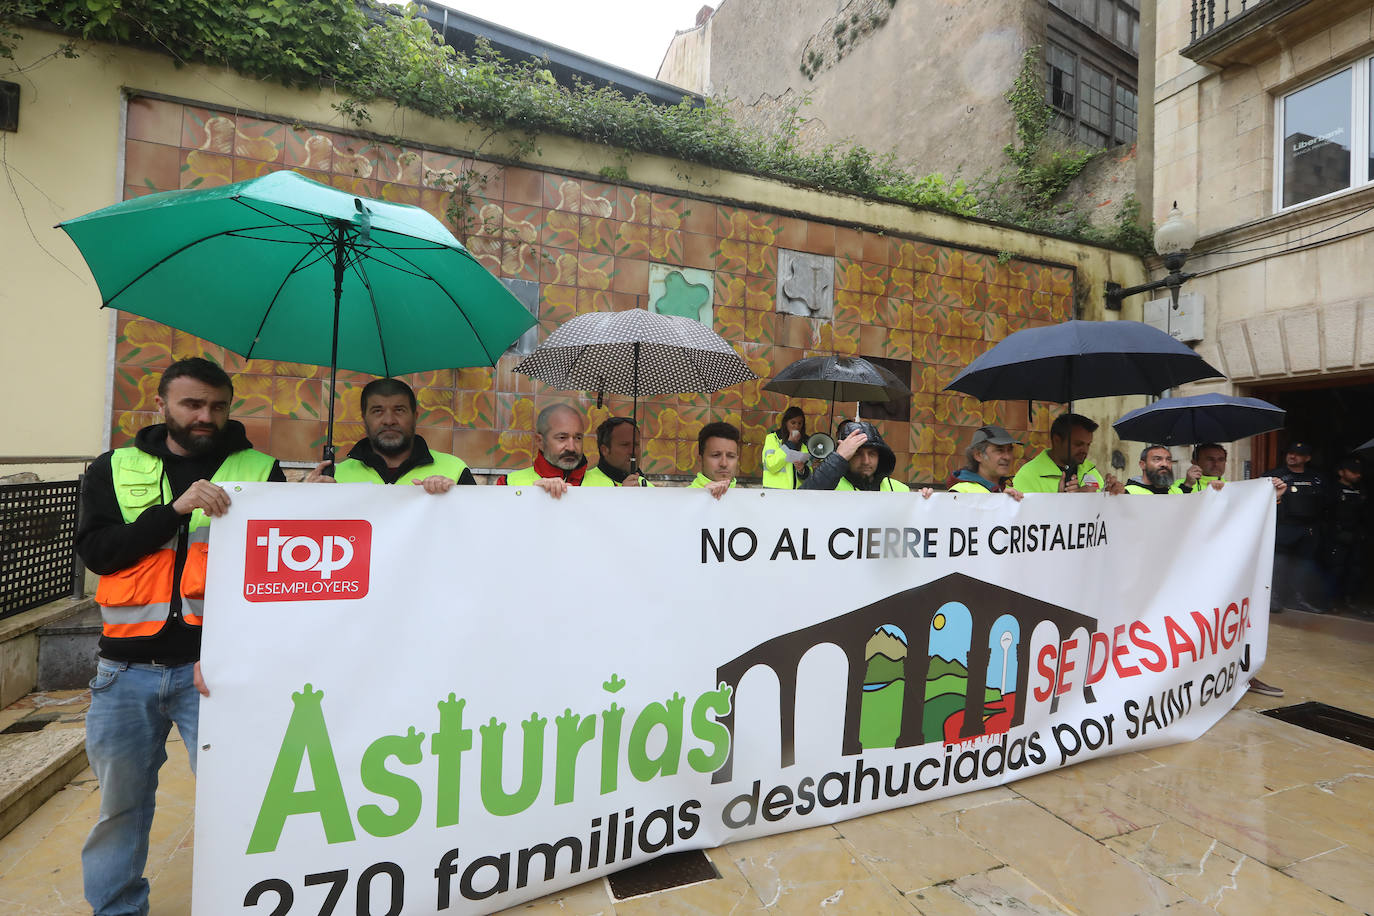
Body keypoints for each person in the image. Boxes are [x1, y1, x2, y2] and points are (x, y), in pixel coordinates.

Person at [76, 357, 285, 916]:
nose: (205, 416)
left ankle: (247, 904)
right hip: (123, 670)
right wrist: (174, 511)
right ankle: (117, 910)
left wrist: (316, 503)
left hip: (211, 673)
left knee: (241, 803)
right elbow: (99, 552)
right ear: (162, 404)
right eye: (192, 404)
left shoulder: (260, 468)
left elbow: (275, 580)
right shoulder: (113, 467)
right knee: (120, 807)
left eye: (217, 406)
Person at [305, 377, 474, 492]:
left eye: (399, 410)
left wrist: (455, 498)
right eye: (377, 411)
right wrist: (306, 498)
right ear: (364, 418)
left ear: (415, 416)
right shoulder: (335, 477)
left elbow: (479, 530)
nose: (389, 420)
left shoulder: (455, 470)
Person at [1266, 442, 1326, 615]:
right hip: (1283, 527)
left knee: (1303, 567)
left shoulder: (1317, 478)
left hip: (1307, 530)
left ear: (1307, 458)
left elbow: (1325, 504)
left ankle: (1299, 600)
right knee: (1279, 565)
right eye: (1290, 452)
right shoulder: (1274, 476)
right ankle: (1273, 598)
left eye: (1298, 454)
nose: (1292, 456)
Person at [803, 420, 930, 495]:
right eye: (857, 453)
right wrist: (838, 457)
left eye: (872, 454)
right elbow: (802, 502)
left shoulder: (900, 490)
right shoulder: (830, 486)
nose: (866, 461)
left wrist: (925, 503)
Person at [1012, 413, 1122, 494]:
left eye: (1088, 445)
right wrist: (1063, 501)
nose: (1085, 450)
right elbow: (1025, 520)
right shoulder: (1028, 475)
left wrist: (1109, 495)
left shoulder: (1090, 470)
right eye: (1078, 444)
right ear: (1057, 440)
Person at [498, 403, 588, 499]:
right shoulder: (508, 484)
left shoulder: (605, 485)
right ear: (540, 441)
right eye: (562, 437)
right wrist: (532, 495)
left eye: (578, 438)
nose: (571, 448)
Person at [1322, 456, 1369, 616]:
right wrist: (1335, 533)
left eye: (1359, 472)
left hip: (1355, 536)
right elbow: (1325, 514)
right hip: (1337, 536)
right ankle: (1329, 601)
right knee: (1335, 569)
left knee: (1355, 570)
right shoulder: (1332, 490)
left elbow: (1364, 515)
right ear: (1341, 472)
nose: (1358, 475)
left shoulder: (1361, 489)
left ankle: (1348, 599)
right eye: (1353, 472)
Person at [949, 425, 1024, 499]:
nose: (1007, 457)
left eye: (1010, 450)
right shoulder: (960, 492)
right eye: (999, 450)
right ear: (978, 455)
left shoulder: (1010, 491)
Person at [582, 416, 651, 487]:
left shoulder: (648, 487)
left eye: (636, 444)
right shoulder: (584, 484)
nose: (633, 451)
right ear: (605, 450)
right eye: (625, 445)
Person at [761, 406, 811, 489]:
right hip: (774, 491)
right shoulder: (773, 438)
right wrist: (789, 444)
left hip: (796, 493)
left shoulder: (805, 444)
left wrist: (802, 470)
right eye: (793, 423)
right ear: (786, 423)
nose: (796, 426)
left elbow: (809, 475)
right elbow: (771, 465)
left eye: (800, 423)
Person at [689, 421, 741, 499]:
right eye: (716, 455)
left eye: (731, 456)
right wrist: (701, 497)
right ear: (700, 459)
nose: (724, 463)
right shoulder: (682, 499)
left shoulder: (749, 502)